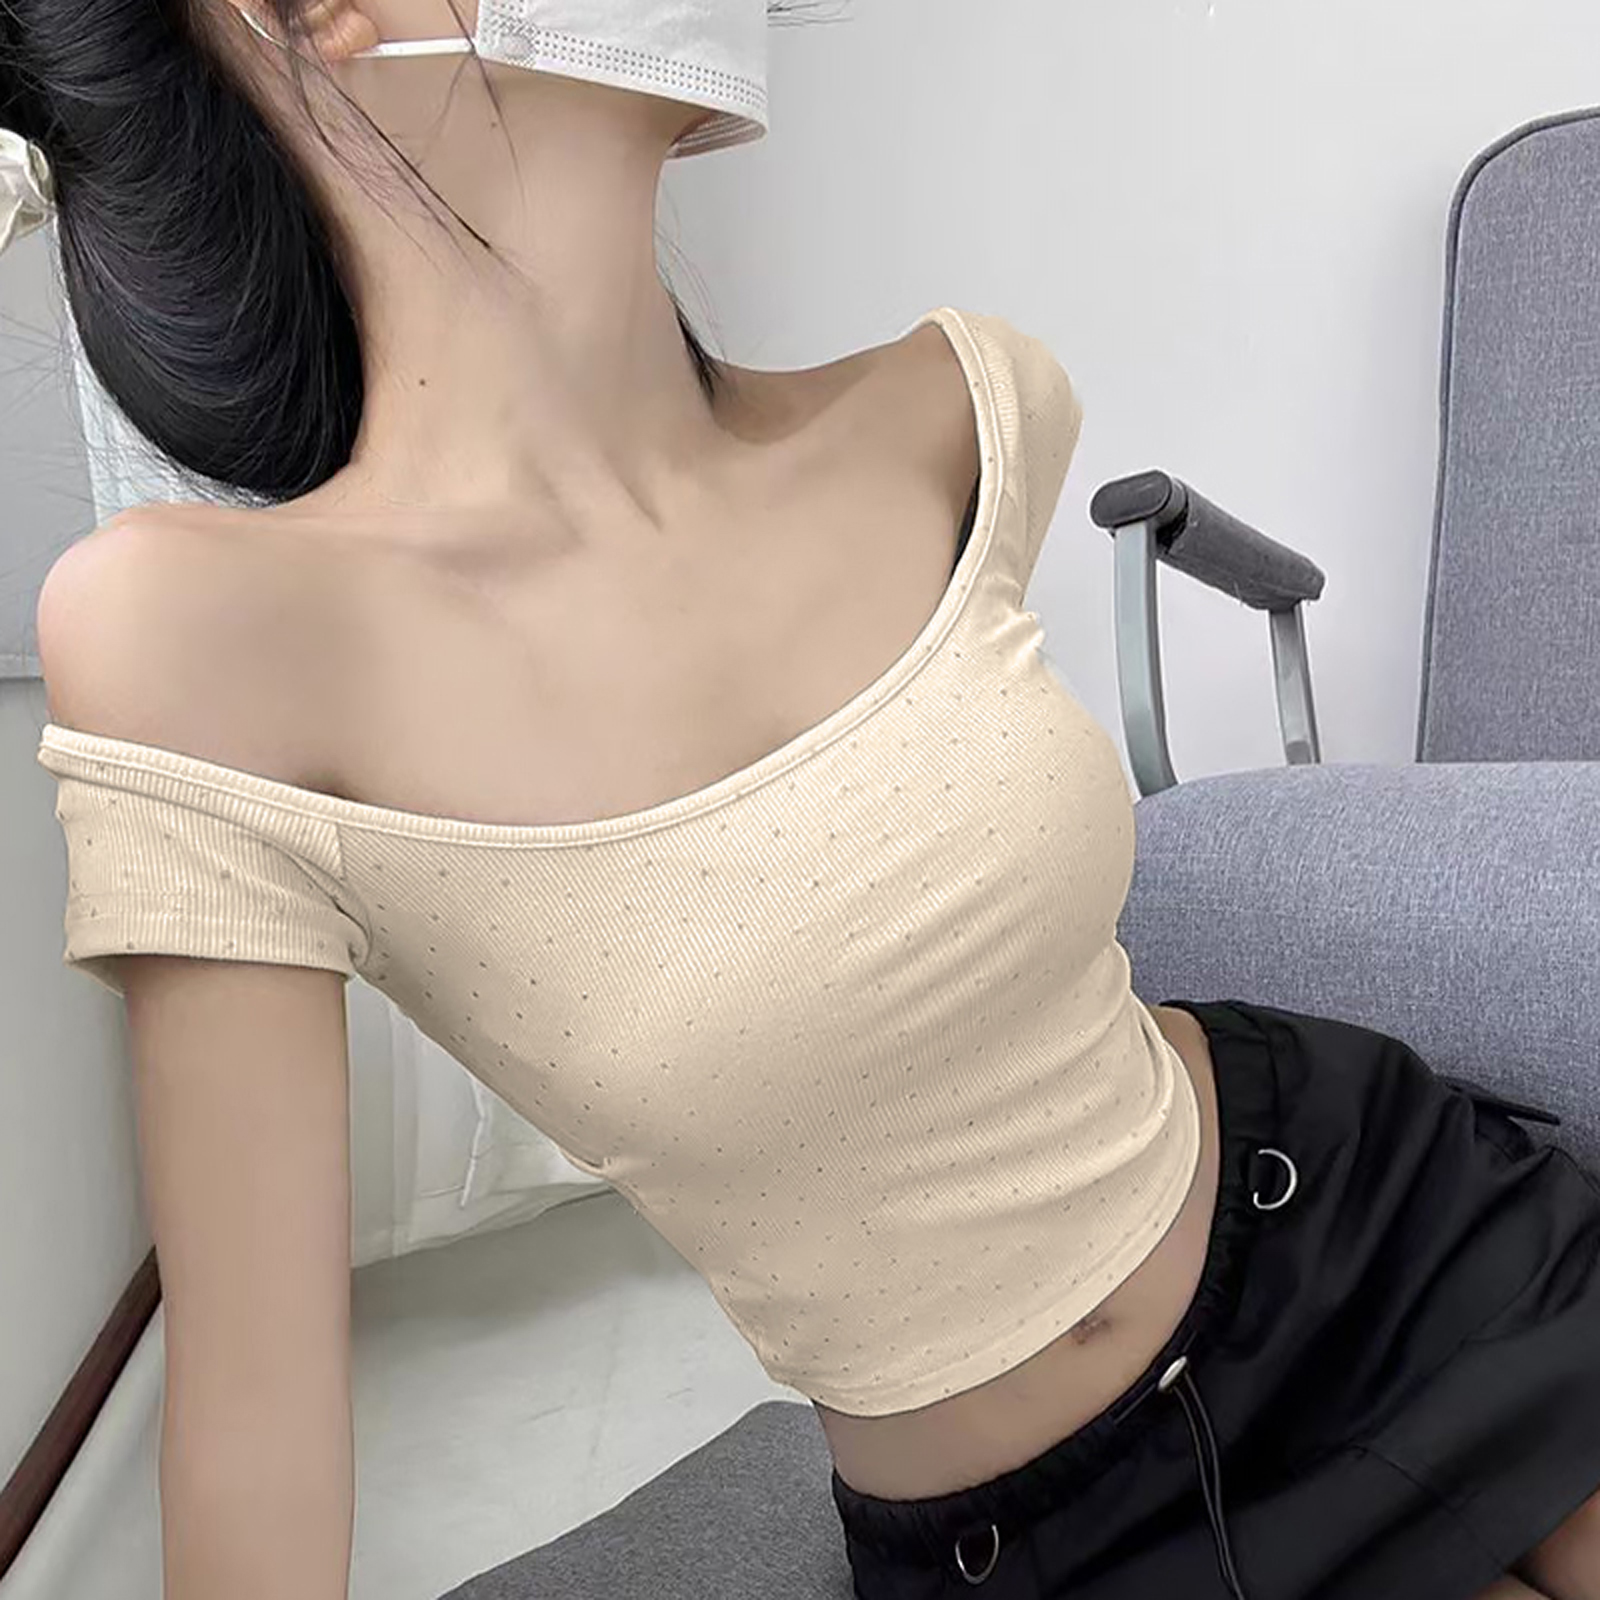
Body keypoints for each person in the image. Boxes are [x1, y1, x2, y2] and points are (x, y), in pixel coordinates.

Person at [5, 3, 1599, 1597]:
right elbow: (257, 1436)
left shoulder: (949, 411)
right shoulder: (196, 638)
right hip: (1063, 1536)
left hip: (1370, 1231)